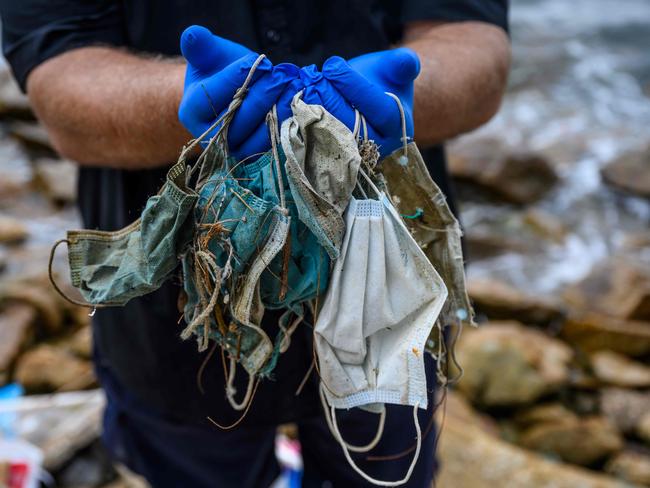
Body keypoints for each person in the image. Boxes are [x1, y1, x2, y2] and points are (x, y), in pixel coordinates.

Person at [0, 2, 510, 487]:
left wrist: (417, 92)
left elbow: (473, 39)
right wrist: (177, 103)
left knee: (387, 458)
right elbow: (59, 71)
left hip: (388, 294)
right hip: (176, 318)